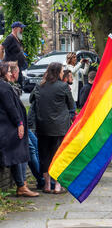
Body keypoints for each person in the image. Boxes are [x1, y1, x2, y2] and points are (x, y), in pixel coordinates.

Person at [30, 62, 74, 194]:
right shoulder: (63, 86)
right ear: (57, 72)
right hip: (60, 127)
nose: (62, 73)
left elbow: (32, 99)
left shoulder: (39, 86)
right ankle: (58, 186)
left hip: (43, 126)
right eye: (61, 71)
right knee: (58, 155)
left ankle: (47, 185)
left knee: (44, 156)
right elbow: (71, 104)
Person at [0, 62, 39, 197]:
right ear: (3, 72)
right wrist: (19, 123)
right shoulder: (4, 87)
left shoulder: (5, 86)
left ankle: (23, 184)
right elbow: (11, 108)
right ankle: (22, 185)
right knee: (19, 151)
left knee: (22, 151)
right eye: (9, 71)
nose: (11, 74)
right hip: (8, 127)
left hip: (7, 126)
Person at [0, 22, 28, 88]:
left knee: (19, 85)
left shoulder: (17, 38)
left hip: (18, 66)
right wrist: (2, 61)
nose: (22, 30)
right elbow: (1, 47)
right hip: (12, 67)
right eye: (21, 28)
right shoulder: (10, 37)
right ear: (15, 29)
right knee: (15, 85)